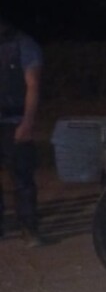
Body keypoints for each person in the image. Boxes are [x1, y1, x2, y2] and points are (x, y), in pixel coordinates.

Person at [0, 16, 44, 246]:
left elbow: (32, 85)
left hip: (14, 121)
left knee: (22, 180)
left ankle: (29, 228)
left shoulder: (23, 44)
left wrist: (27, 123)